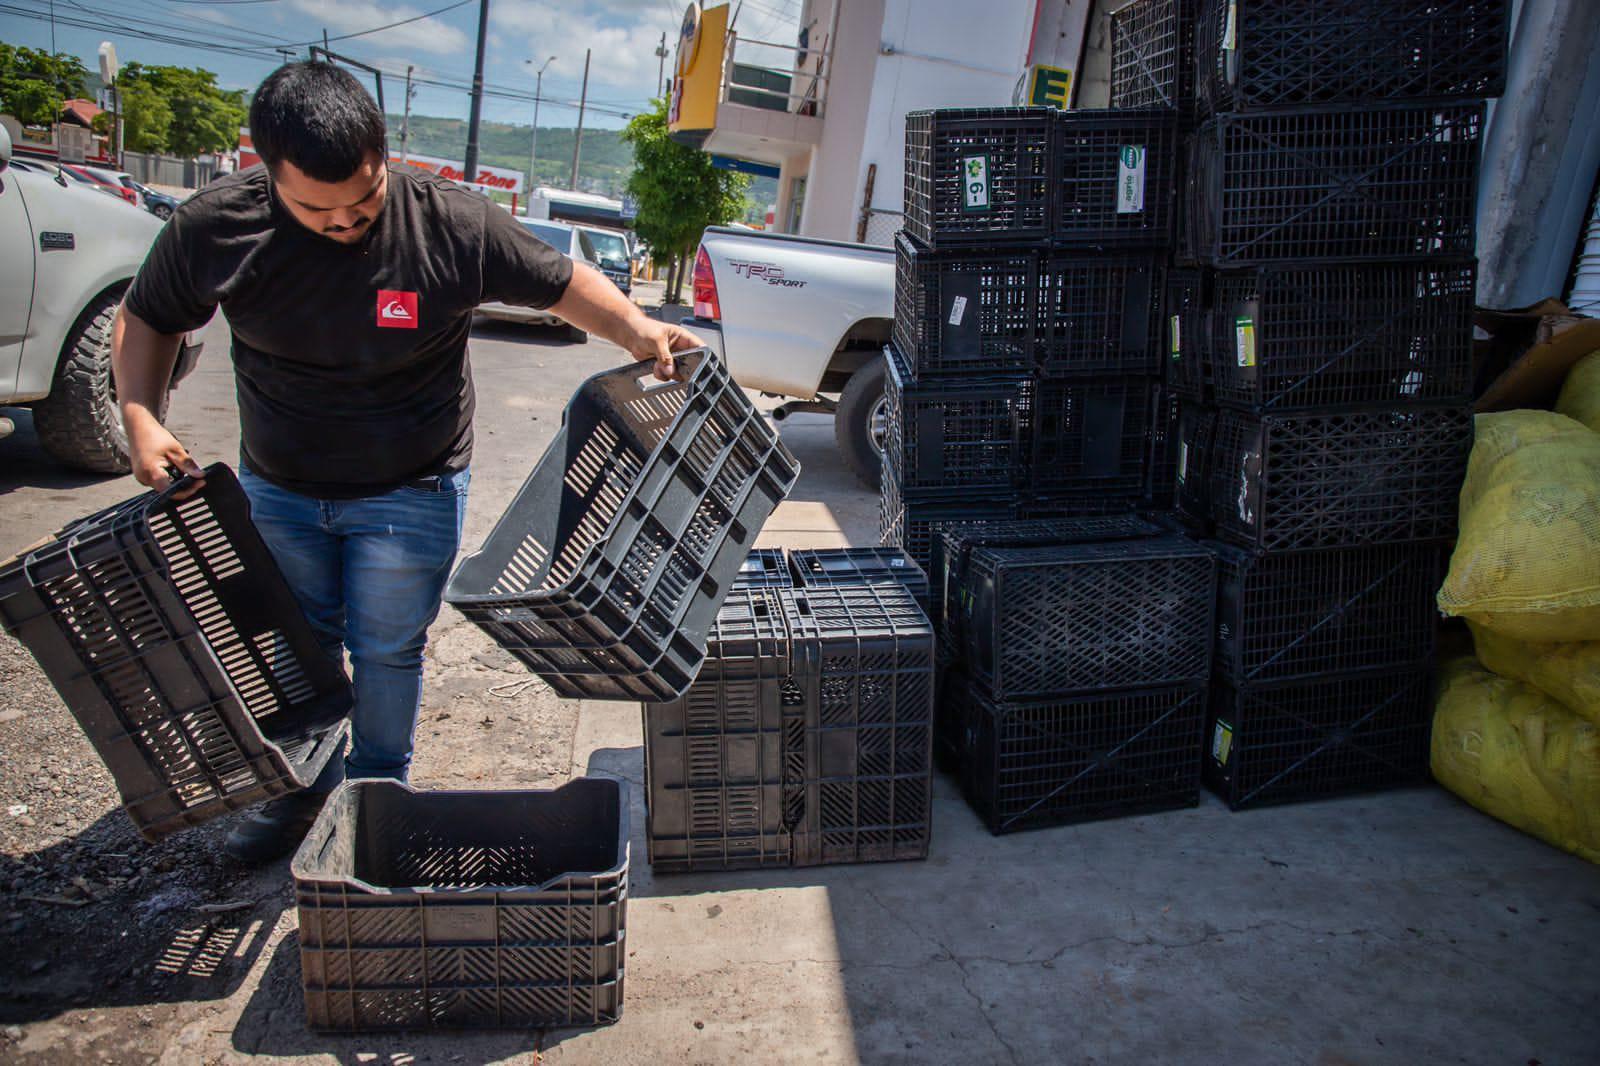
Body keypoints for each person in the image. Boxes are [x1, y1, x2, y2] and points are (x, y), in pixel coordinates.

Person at [113, 61, 699, 863]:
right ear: (267, 171)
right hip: (279, 487)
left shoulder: (450, 224)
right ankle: (302, 793)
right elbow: (148, 316)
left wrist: (639, 330)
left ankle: (376, 794)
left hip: (412, 486)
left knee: (388, 647)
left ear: (383, 155)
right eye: (319, 210)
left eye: (364, 198)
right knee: (303, 644)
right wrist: (142, 418)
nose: (348, 221)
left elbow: (561, 283)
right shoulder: (217, 227)